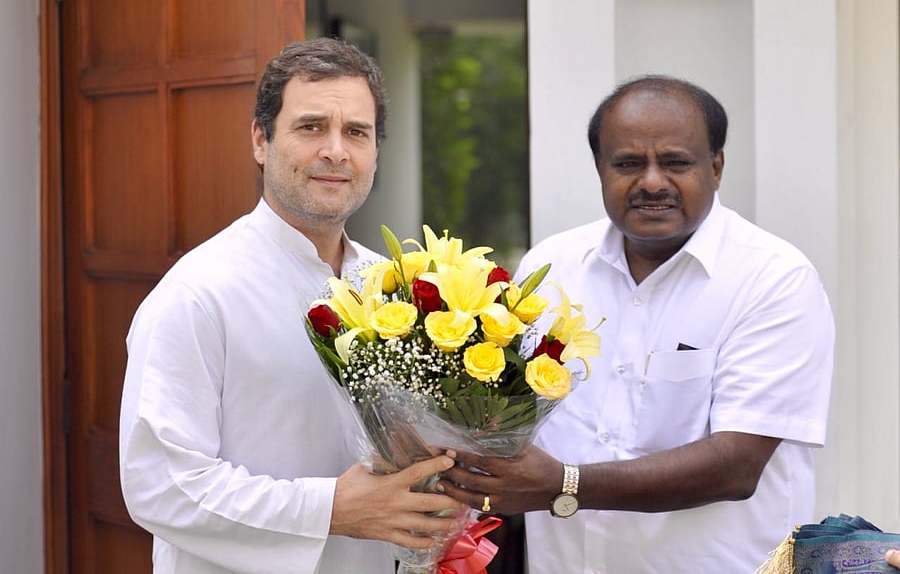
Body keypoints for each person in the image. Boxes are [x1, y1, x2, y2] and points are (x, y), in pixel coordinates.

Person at [439, 75, 835, 572]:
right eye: (627, 163)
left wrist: (564, 483)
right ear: (601, 169)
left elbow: (737, 465)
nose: (651, 182)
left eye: (675, 162)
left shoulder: (774, 278)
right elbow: (508, 419)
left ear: (716, 167)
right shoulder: (553, 266)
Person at [119, 38, 464, 574]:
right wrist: (329, 510)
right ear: (260, 140)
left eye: (356, 132)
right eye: (311, 127)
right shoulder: (197, 293)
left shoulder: (398, 288)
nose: (336, 151)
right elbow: (160, 486)